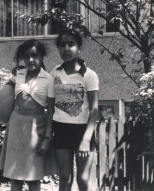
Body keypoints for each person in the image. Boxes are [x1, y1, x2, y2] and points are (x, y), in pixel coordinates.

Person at [0, 39, 57, 191]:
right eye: (26, 56)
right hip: (16, 126)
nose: (30, 60)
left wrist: (47, 138)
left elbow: (51, 110)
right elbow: (5, 92)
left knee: (33, 176)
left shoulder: (48, 79)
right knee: (15, 175)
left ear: (42, 56)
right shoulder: (18, 74)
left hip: (36, 128)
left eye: (34, 55)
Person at [50, 29, 100, 191]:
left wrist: (86, 140)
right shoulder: (55, 73)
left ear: (79, 48)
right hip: (61, 129)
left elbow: (94, 110)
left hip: (83, 131)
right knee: (65, 178)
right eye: (62, 45)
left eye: (71, 44)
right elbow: (50, 107)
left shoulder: (89, 75)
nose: (66, 49)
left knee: (83, 180)